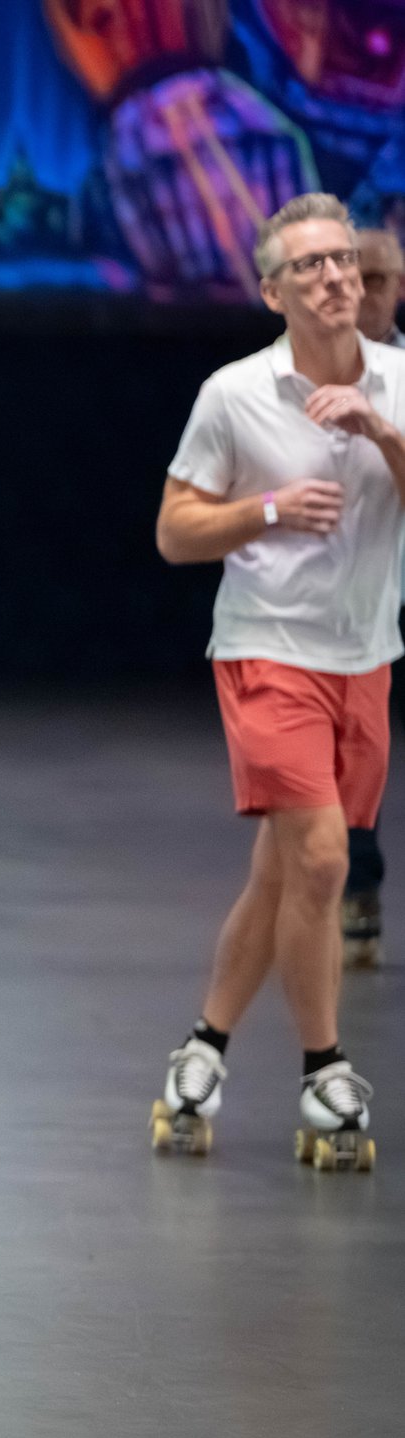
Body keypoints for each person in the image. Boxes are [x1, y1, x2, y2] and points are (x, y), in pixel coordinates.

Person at [150, 194, 403, 1167]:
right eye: (310, 266)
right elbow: (174, 532)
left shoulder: (397, 380)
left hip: (364, 654)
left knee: (283, 871)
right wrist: (265, 507)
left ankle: (201, 1047)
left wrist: (381, 432)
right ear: (271, 291)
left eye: (344, 260)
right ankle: (323, 1073)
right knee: (326, 862)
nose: (336, 277)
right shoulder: (233, 394)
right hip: (266, 650)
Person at [340, 226, 403, 968]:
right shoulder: (301, 375)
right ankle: (357, 884)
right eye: (359, 279)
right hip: (354, 590)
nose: (368, 294)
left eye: (382, 279)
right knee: (356, 755)